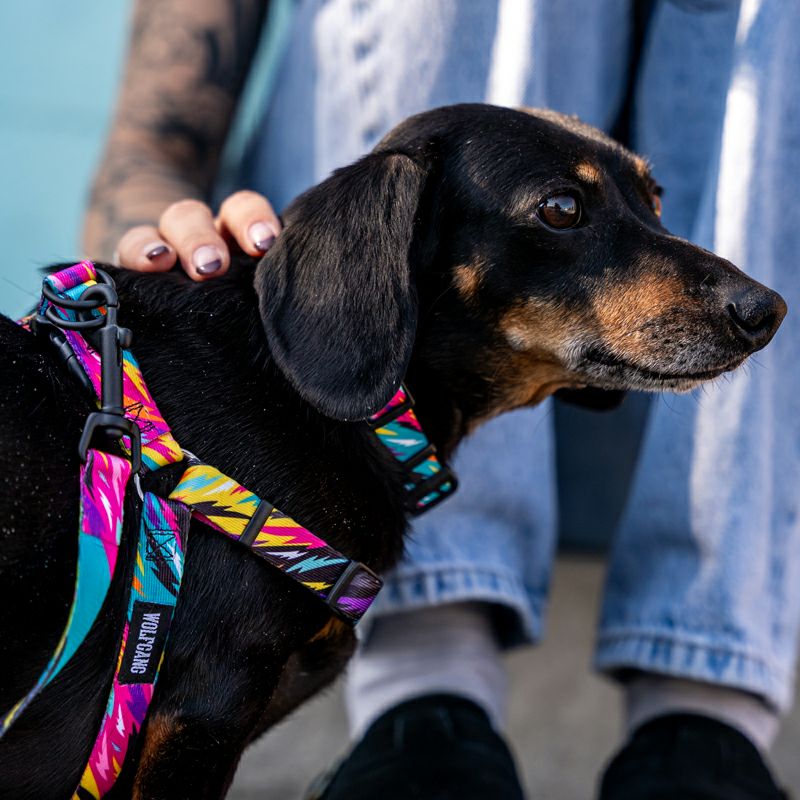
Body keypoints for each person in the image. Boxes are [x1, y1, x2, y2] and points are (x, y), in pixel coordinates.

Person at [83, 1, 799, 797]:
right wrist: (150, 225)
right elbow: (154, 141)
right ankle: (426, 683)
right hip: (337, 282)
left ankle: (704, 714)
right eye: (566, 209)